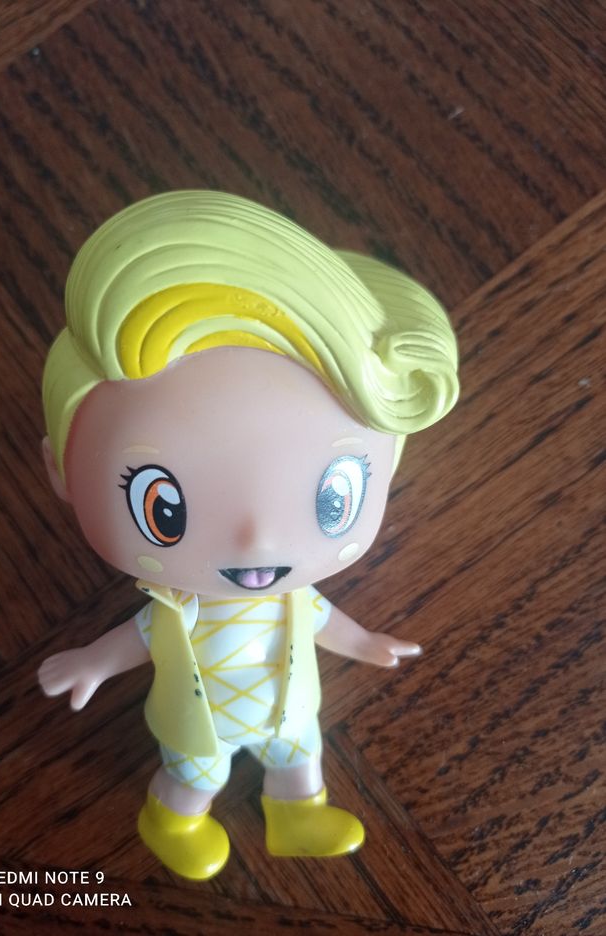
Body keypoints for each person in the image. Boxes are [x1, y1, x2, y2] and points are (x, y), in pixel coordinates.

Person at [38, 190, 459, 880]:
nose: (257, 542)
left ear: (386, 471)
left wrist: (366, 643)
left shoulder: (294, 598)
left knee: (300, 756)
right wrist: (92, 661)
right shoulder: (177, 608)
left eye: (334, 499)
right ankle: (171, 818)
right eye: (164, 508)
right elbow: (139, 639)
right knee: (193, 777)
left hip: (288, 712)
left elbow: (325, 622)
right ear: (61, 471)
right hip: (198, 726)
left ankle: (297, 814)